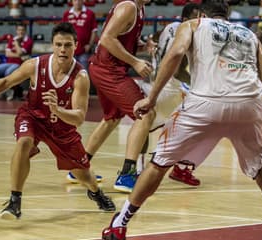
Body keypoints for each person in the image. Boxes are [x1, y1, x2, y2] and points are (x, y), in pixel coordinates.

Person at [102, 1, 262, 240]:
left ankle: (120, 224)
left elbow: (176, 54)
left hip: (204, 103)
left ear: (202, 13)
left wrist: (151, 98)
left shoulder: (193, 24)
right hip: (248, 104)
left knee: (159, 164)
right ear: (227, 14)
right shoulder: (249, 34)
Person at [0, 22, 116, 220]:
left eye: (68, 45)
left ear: (76, 45)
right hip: (32, 116)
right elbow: (6, 82)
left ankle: (95, 192)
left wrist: (57, 109)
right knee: (24, 142)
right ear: (52, 45)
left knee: (83, 175)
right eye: (59, 44)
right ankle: (15, 201)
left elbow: (79, 117)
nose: (63, 49)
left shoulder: (80, 77)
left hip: (62, 127)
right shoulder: (35, 65)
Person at [66, 0, 155, 193]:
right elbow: (107, 38)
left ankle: (79, 167)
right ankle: (126, 174)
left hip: (104, 68)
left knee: (111, 119)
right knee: (145, 113)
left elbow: (121, 40)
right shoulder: (129, 7)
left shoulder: (139, 8)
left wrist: (142, 45)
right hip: (109, 70)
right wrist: (136, 62)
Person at [134, 3, 201, 186]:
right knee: (195, 125)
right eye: (197, 18)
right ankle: (180, 168)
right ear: (186, 19)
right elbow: (178, 72)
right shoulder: (187, 33)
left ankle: (138, 169)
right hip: (170, 89)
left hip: (154, 84)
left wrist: (151, 44)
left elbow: (154, 37)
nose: (200, 21)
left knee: (144, 128)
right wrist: (200, 81)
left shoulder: (170, 26)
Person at [0, 24, 33, 101]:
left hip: (20, 64)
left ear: (25, 31)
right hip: (8, 63)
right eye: (19, 30)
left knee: (8, 72)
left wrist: (17, 44)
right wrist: (18, 54)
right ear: (16, 30)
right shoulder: (12, 39)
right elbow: (7, 54)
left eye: (22, 30)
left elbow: (20, 53)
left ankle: (9, 91)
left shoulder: (28, 41)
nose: (20, 32)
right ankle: (2, 90)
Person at [62, 0, 98, 70]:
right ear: (72, 2)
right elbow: (63, 31)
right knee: (70, 73)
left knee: (83, 72)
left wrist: (90, 45)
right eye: (75, 0)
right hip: (70, 50)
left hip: (84, 50)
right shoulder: (66, 14)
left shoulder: (90, 13)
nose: (77, 2)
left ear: (83, 1)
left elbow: (94, 31)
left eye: (79, 0)